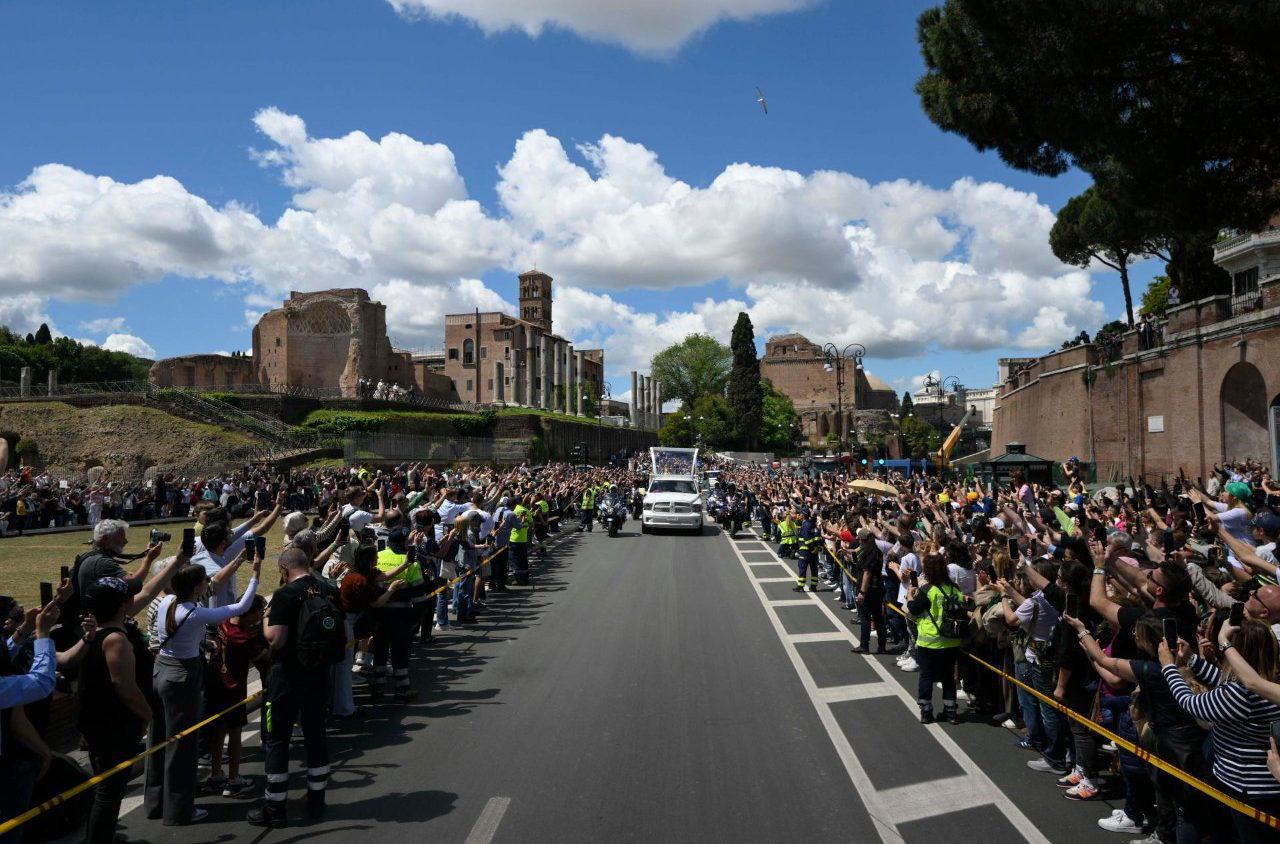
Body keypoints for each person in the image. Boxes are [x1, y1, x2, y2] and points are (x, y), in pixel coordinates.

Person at [145, 554, 260, 825]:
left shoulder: (165, 603)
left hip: (161, 670)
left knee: (159, 739)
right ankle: (179, 810)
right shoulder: (196, 613)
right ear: (196, 588)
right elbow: (241, 606)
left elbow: (205, 591)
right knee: (183, 747)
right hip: (183, 676)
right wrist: (255, 572)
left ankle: (156, 802)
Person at [1160, 619, 1280, 843]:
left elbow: (1191, 703)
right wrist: (1193, 659)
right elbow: (1226, 681)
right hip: (1267, 785)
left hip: (1247, 788)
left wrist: (1168, 667)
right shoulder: (1270, 684)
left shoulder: (1238, 694)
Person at [248, 547, 341, 829]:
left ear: (284, 570)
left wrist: (266, 617)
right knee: (316, 735)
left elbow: (275, 639)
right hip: (319, 674)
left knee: (278, 738)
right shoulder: (326, 589)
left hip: (286, 676)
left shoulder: (285, 595)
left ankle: (274, 807)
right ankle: (316, 800)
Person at [78, 577, 155, 844]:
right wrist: (148, 715)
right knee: (109, 792)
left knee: (107, 789)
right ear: (122, 605)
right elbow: (125, 687)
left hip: (99, 724)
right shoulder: (115, 639)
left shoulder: (93, 635)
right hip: (113, 727)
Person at [203, 596, 269, 797]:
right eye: (259, 612)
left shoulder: (224, 623)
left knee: (218, 732)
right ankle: (234, 779)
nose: (260, 616)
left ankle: (216, 775)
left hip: (216, 686)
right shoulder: (243, 638)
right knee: (235, 734)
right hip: (234, 690)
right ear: (250, 612)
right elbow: (266, 658)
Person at [906, 552, 965, 724]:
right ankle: (951, 711)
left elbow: (914, 609)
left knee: (926, 676)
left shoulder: (927, 590)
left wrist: (910, 595)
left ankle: (926, 711)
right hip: (951, 640)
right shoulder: (955, 589)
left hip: (929, 640)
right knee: (948, 677)